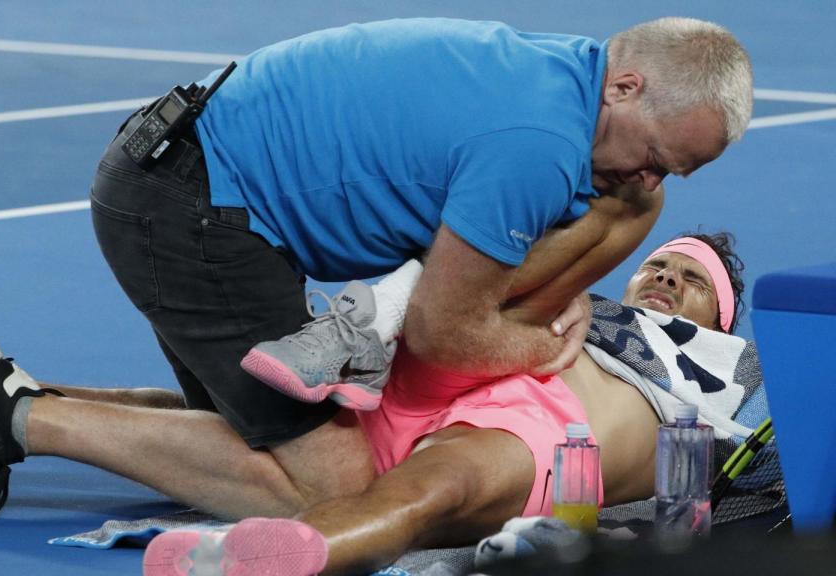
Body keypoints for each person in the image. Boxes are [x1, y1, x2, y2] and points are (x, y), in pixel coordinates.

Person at [85, 16, 753, 511]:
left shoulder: (562, 81)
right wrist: (545, 347)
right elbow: (442, 336)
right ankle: (36, 421)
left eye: (671, 173)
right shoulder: (538, 148)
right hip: (194, 204)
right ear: (625, 88)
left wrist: (562, 287)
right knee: (336, 488)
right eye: (655, 157)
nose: (649, 180)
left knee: (242, 435)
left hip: (186, 171)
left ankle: (34, 395)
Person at [0, 226, 761, 576]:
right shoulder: (585, 295)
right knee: (288, 445)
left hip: (542, 429)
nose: (665, 280)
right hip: (441, 379)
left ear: (719, 318)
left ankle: (272, 556)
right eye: (660, 265)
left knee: (426, 489)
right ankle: (14, 401)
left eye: (690, 281)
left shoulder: (722, 371)